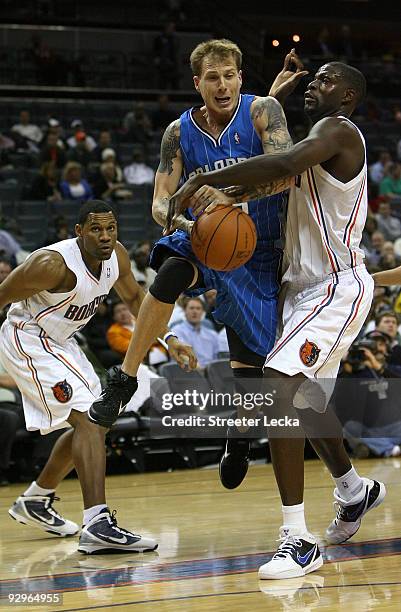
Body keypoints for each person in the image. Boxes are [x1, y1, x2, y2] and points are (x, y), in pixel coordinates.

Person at [168, 61, 386, 579]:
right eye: (315, 78)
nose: (317, 83)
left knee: (283, 385)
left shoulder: (338, 131)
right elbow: (272, 165)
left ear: (350, 95)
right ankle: (355, 490)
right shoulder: (316, 137)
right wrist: (274, 98)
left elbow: (281, 159)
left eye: (327, 79)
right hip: (300, 287)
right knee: (305, 401)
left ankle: (297, 536)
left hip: (334, 286)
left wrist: (203, 177)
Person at [88, 40, 306, 451]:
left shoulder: (263, 111)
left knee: (248, 367)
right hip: (205, 236)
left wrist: (231, 195)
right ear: (197, 83)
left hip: (259, 247)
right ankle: (124, 379)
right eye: (212, 77)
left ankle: (238, 439)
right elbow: (160, 198)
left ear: (240, 77)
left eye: (229, 76)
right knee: (170, 272)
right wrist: (180, 220)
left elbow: (285, 174)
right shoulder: (178, 132)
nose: (222, 85)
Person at [0, 199, 196, 553]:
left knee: (97, 422)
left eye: (111, 228)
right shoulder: (50, 265)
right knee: (90, 423)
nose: (105, 236)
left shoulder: (117, 257)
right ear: (78, 232)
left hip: (61, 341)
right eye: (96, 229)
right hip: (26, 337)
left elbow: (138, 299)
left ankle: (36, 499)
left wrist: (169, 339)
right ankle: (97, 523)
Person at [173, 297, 220, 368]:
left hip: (212, 373)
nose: (195, 311)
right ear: (184, 310)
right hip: (189, 373)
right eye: (191, 308)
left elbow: (218, 359)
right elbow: (182, 356)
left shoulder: (213, 335)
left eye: (198, 308)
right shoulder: (176, 331)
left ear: (203, 312)